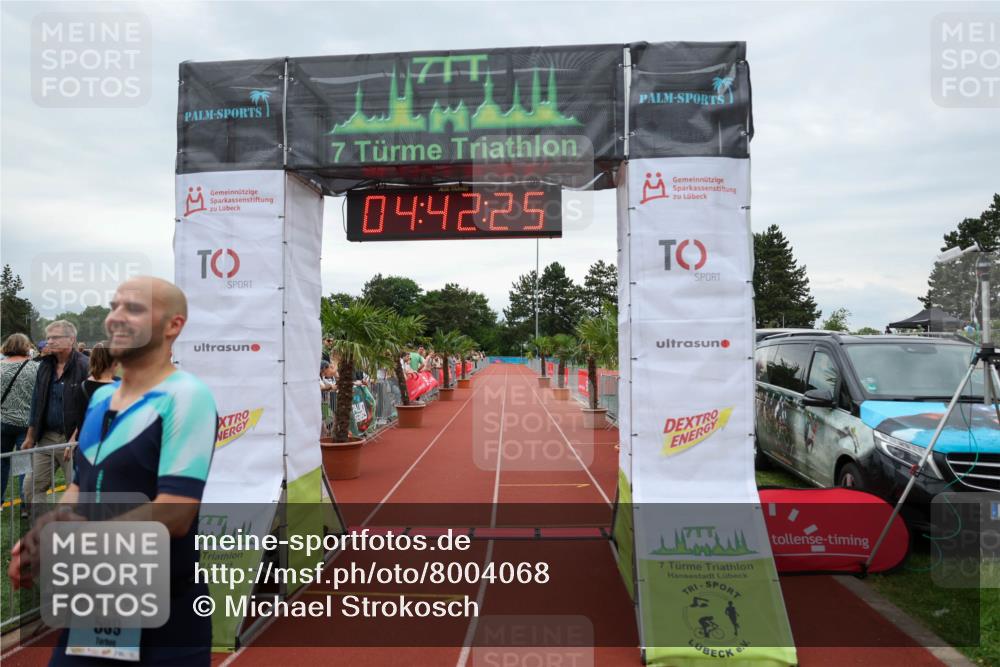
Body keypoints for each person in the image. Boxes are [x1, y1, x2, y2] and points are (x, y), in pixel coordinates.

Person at [9, 276, 218, 666]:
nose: (117, 318)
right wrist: (44, 534)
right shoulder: (102, 397)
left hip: (167, 613)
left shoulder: (188, 396)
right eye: (114, 306)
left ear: (174, 325)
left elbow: (175, 513)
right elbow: (79, 487)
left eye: (135, 309)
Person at [20, 320, 89, 516]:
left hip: (74, 441)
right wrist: (30, 435)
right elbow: (37, 401)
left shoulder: (85, 366)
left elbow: (91, 407)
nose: (49, 341)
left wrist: (75, 438)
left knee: (75, 491)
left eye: (56, 337)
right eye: (48, 337)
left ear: (71, 339)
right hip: (45, 438)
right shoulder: (44, 366)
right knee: (32, 487)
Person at [1, 333, 38, 501]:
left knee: (2, 463)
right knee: (24, 466)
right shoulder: (35, 368)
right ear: (27, 346)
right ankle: (25, 505)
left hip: (3, 421)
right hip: (27, 424)